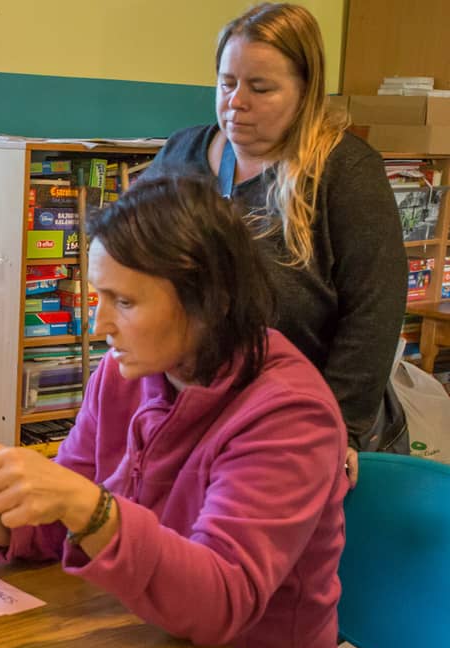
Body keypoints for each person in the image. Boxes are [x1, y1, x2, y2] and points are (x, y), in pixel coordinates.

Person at [0, 176, 349, 648]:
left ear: (212, 302)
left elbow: (224, 600)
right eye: (97, 297)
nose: (99, 324)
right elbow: (66, 519)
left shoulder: (290, 414)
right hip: (140, 641)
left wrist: (87, 506)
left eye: (125, 302)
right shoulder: (123, 373)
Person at [143, 2, 407, 485]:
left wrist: (338, 428)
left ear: (305, 91)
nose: (236, 102)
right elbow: (129, 261)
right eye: (226, 83)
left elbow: (375, 311)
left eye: (260, 88)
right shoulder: (182, 153)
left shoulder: (345, 172)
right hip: (194, 412)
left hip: (301, 420)